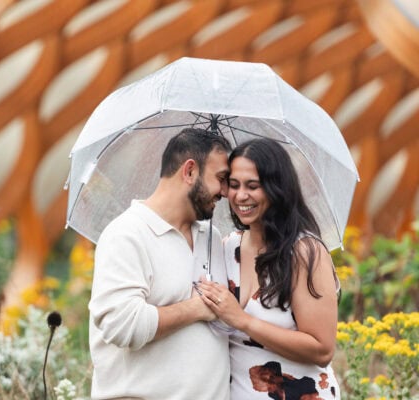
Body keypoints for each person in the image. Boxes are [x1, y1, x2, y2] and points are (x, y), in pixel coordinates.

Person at [88, 128, 232, 400]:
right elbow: (123, 325)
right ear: (189, 171)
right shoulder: (127, 234)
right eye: (221, 179)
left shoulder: (211, 236)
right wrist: (196, 308)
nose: (225, 192)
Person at [197, 138, 341, 399]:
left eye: (253, 186)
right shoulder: (227, 247)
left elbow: (322, 349)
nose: (241, 196)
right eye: (234, 185)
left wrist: (242, 321)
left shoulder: (305, 252)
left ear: (277, 189)